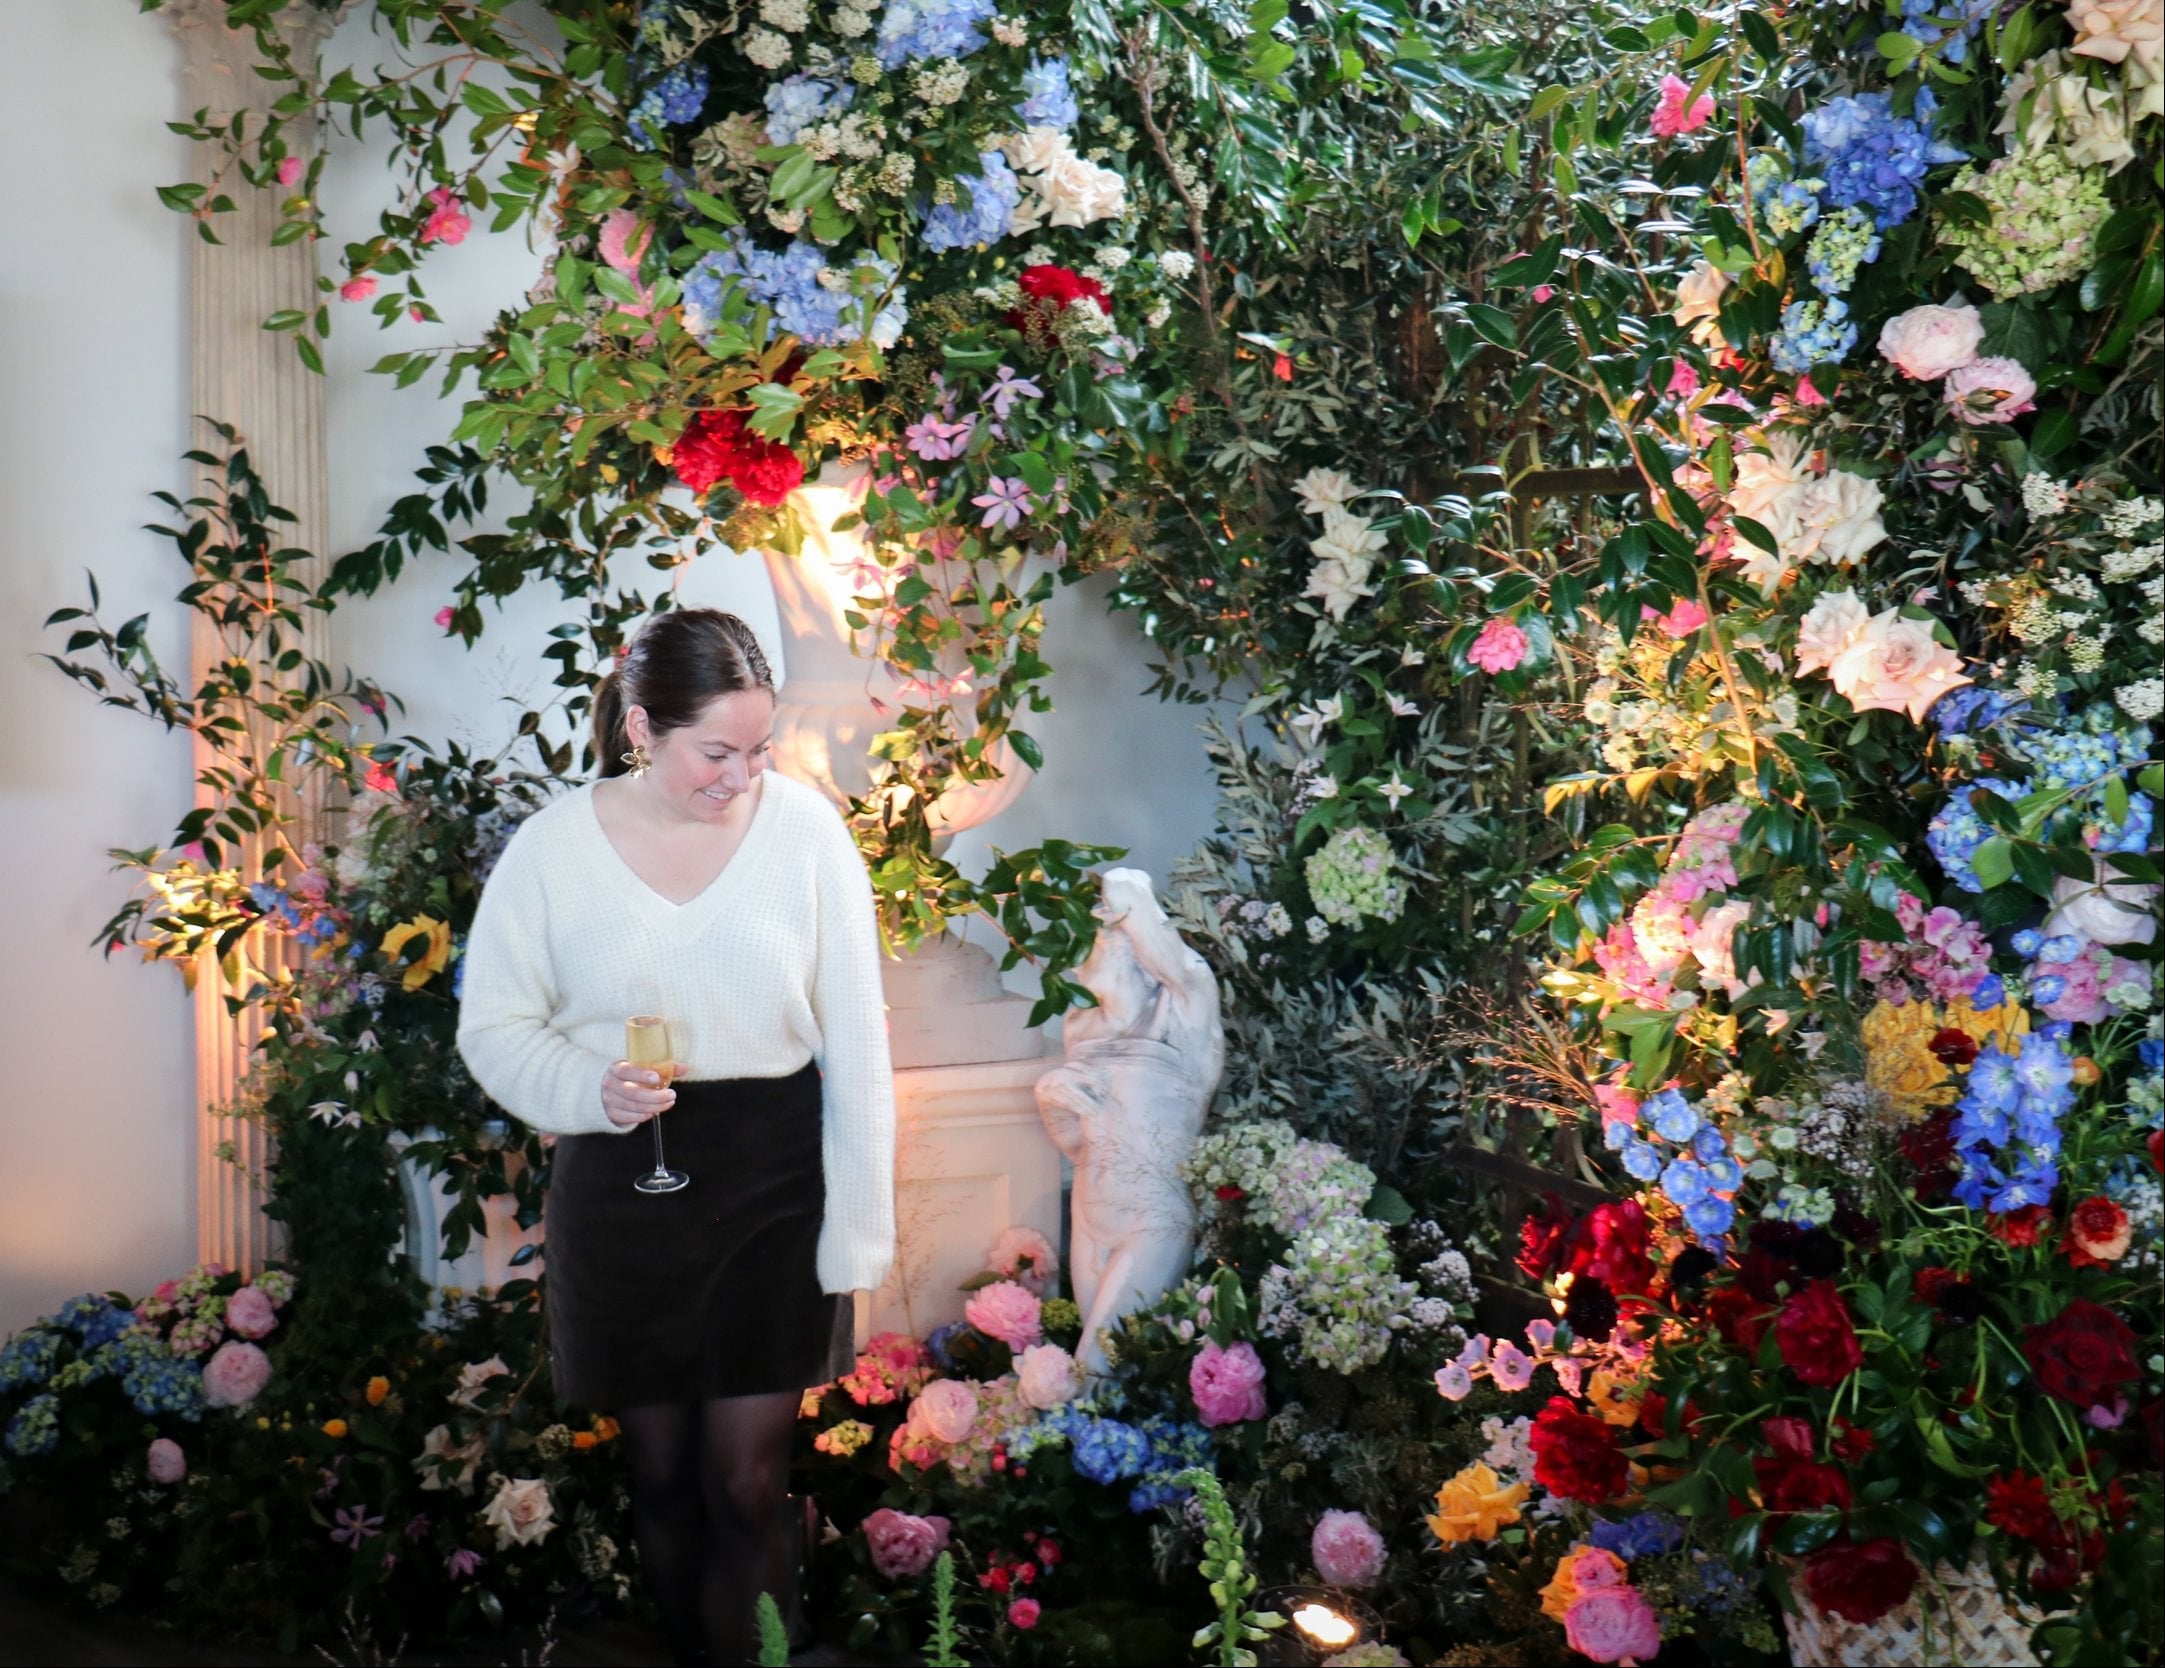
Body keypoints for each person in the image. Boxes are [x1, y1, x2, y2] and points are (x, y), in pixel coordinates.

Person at [457, 608, 895, 1666]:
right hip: (621, 1185)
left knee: (745, 1480)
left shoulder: (806, 835)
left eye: (758, 748)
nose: (739, 776)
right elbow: (494, 1027)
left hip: (774, 1180)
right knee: (658, 1478)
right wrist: (585, 1086)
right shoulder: (553, 850)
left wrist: (857, 1229)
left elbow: (858, 1043)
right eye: (715, 752)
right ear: (642, 727)